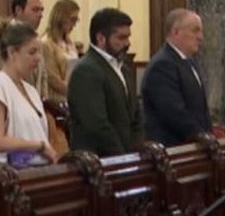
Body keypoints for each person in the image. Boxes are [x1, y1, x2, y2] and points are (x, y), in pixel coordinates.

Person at [0, 21, 59, 166]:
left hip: (37, 171)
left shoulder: (31, 90)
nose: (38, 58)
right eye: (32, 52)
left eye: (39, 52)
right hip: (7, 176)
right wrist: (39, 146)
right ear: (12, 53)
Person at [67, 8, 144, 156]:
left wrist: (137, 151)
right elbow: (96, 125)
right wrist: (122, 157)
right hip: (100, 162)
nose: (128, 44)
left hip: (128, 158)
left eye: (128, 37)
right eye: (121, 38)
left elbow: (136, 116)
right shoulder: (86, 71)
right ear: (101, 38)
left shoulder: (124, 69)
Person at [142, 8, 212, 146]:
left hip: (194, 148)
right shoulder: (162, 65)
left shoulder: (189, 62)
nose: (200, 37)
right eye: (195, 30)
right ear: (176, 32)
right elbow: (174, 113)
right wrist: (202, 137)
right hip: (174, 150)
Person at [0, 0, 45, 76]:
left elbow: (43, 75)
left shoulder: (36, 39)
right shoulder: (1, 35)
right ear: (19, 10)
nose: (40, 15)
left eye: (41, 10)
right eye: (35, 10)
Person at [40, 0, 81, 101]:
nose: (74, 24)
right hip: (57, 100)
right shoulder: (46, 43)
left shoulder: (70, 42)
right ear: (61, 18)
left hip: (72, 96)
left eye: (76, 20)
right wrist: (75, 93)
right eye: (72, 20)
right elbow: (52, 78)